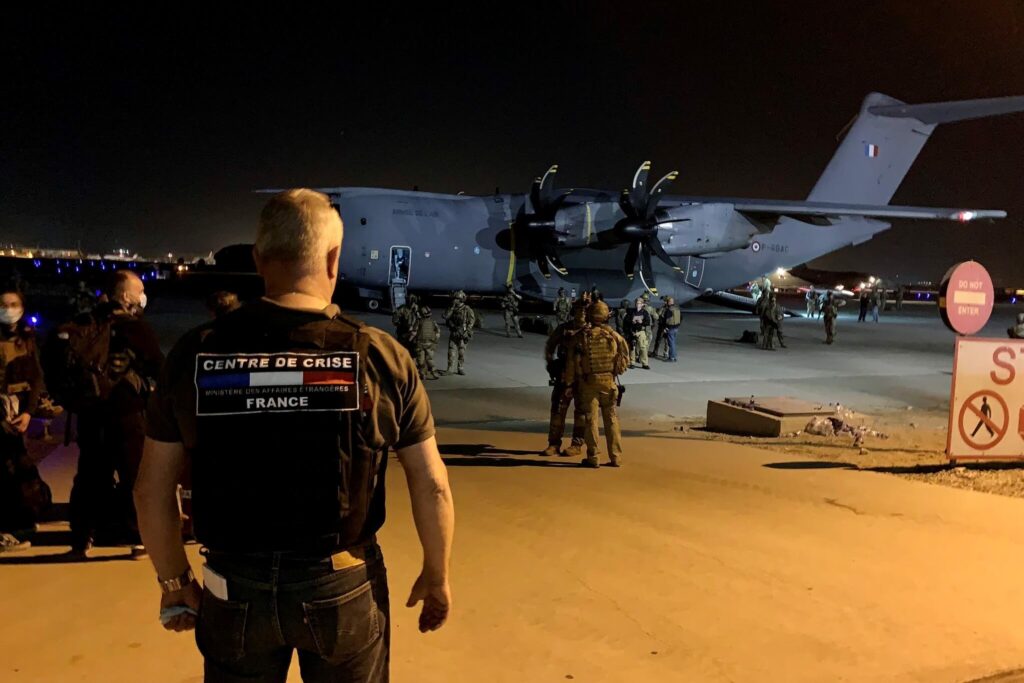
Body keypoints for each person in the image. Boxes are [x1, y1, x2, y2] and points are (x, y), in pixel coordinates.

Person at [135, 188, 454, 682]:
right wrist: (436, 573)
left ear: (260, 259)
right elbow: (431, 483)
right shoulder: (379, 357)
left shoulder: (195, 354)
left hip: (232, 585)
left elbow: (150, 490)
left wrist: (175, 580)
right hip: (342, 582)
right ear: (333, 259)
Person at [56, 271, 163, 560]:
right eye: (139, 290)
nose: (143, 295)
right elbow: (157, 365)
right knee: (134, 475)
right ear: (126, 295)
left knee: (89, 475)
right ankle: (137, 537)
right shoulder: (133, 327)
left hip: (91, 412)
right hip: (125, 411)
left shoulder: (87, 323)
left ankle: (81, 539)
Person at [0, 290, 47, 552]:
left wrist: (28, 411)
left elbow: (37, 377)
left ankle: (21, 522)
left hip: (18, 413)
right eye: (4, 305)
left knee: (18, 467)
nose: (9, 309)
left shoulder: (27, 338)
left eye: (13, 304)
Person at [564, 301, 630, 468]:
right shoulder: (614, 336)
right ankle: (616, 457)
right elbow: (625, 360)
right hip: (609, 383)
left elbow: (572, 363)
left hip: (589, 384)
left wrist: (569, 384)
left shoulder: (582, 337)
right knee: (612, 420)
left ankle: (593, 457)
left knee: (591, 421)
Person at [541, 304, 588, 458]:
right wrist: (551, 365)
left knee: (582, 412)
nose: (582, 313)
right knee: (558, 410)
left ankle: (576, 444)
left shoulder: (593, 331)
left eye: (585, 311)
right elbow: (550, 346)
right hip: (564, 375)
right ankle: (553, 443)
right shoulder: (563, 329)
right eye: (579, 310)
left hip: (584, 378)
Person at [443, 290, 476, 375]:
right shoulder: (452, 308)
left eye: (457, 299)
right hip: (454, 332)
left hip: (462, 333)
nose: (455, 300)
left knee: (461, 352)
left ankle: (460, 368)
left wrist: (467, 330)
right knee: (451, 352)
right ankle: (450, 369)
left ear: (461, 299)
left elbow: (472, 321)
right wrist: (452, 307)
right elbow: (445, 317)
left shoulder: (467, 309)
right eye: (454, 298)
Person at [624, 297, 652, 369]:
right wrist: (631, 321)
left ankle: (645, 363)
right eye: (636, 303)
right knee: (632, 347)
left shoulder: (645, 312)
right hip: (632, 331)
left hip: (641, 331)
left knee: (643, 347)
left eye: (639, 303)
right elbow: (626, 321)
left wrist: (642, 322)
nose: (637, 304)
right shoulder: (631, 312)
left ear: (642, 304)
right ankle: (632, 362)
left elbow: (648, 322)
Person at [414, 305, 441, 380]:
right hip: (430, 344)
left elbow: (414, 332)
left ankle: (423, 374)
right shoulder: (433, 322)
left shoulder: (419, 322)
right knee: (430, 359)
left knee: (421, 360)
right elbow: (438, 332)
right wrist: (435, 342)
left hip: (420, 344)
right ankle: (435, 373)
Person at [662, 297, 681, 362]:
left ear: (669, 302)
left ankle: (672, 357)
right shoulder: (677, 308)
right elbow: (681, 317)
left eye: (668, 302)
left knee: (671, 343)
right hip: (676, 327)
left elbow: (666, 319)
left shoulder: (669, 310)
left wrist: (665, 327)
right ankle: (674, 356)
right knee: (673, 342)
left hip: (671, 328)